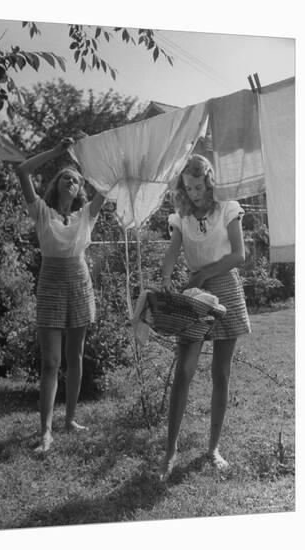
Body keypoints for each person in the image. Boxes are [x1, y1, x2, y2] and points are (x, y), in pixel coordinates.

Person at [159, 154, 251, 480]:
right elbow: (172, 254)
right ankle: (170, 451)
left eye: (199, 186)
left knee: (220, 374)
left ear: (209, 181)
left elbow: (239, 255)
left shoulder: (228, 207)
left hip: (224, 287)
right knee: (184, 371)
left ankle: (213, 448)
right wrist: (167, 276)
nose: (195, 193)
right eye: (188, 187)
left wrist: (204, 275)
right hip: (195, 296)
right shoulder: (182, 216)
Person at [16, 137, 105, 453]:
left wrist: (85, 154)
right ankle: (45, 432)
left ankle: (70, 419)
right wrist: (56, 152)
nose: (71, 180)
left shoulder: (86, 216)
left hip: (79, 283)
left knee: (75, 356)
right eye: (66, 177)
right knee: (51, 362)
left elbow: (106, 184)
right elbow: (23, 170)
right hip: (51, 285)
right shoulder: (41, 212)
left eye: (77, 179)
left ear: (80, 189)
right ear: (57, 184)